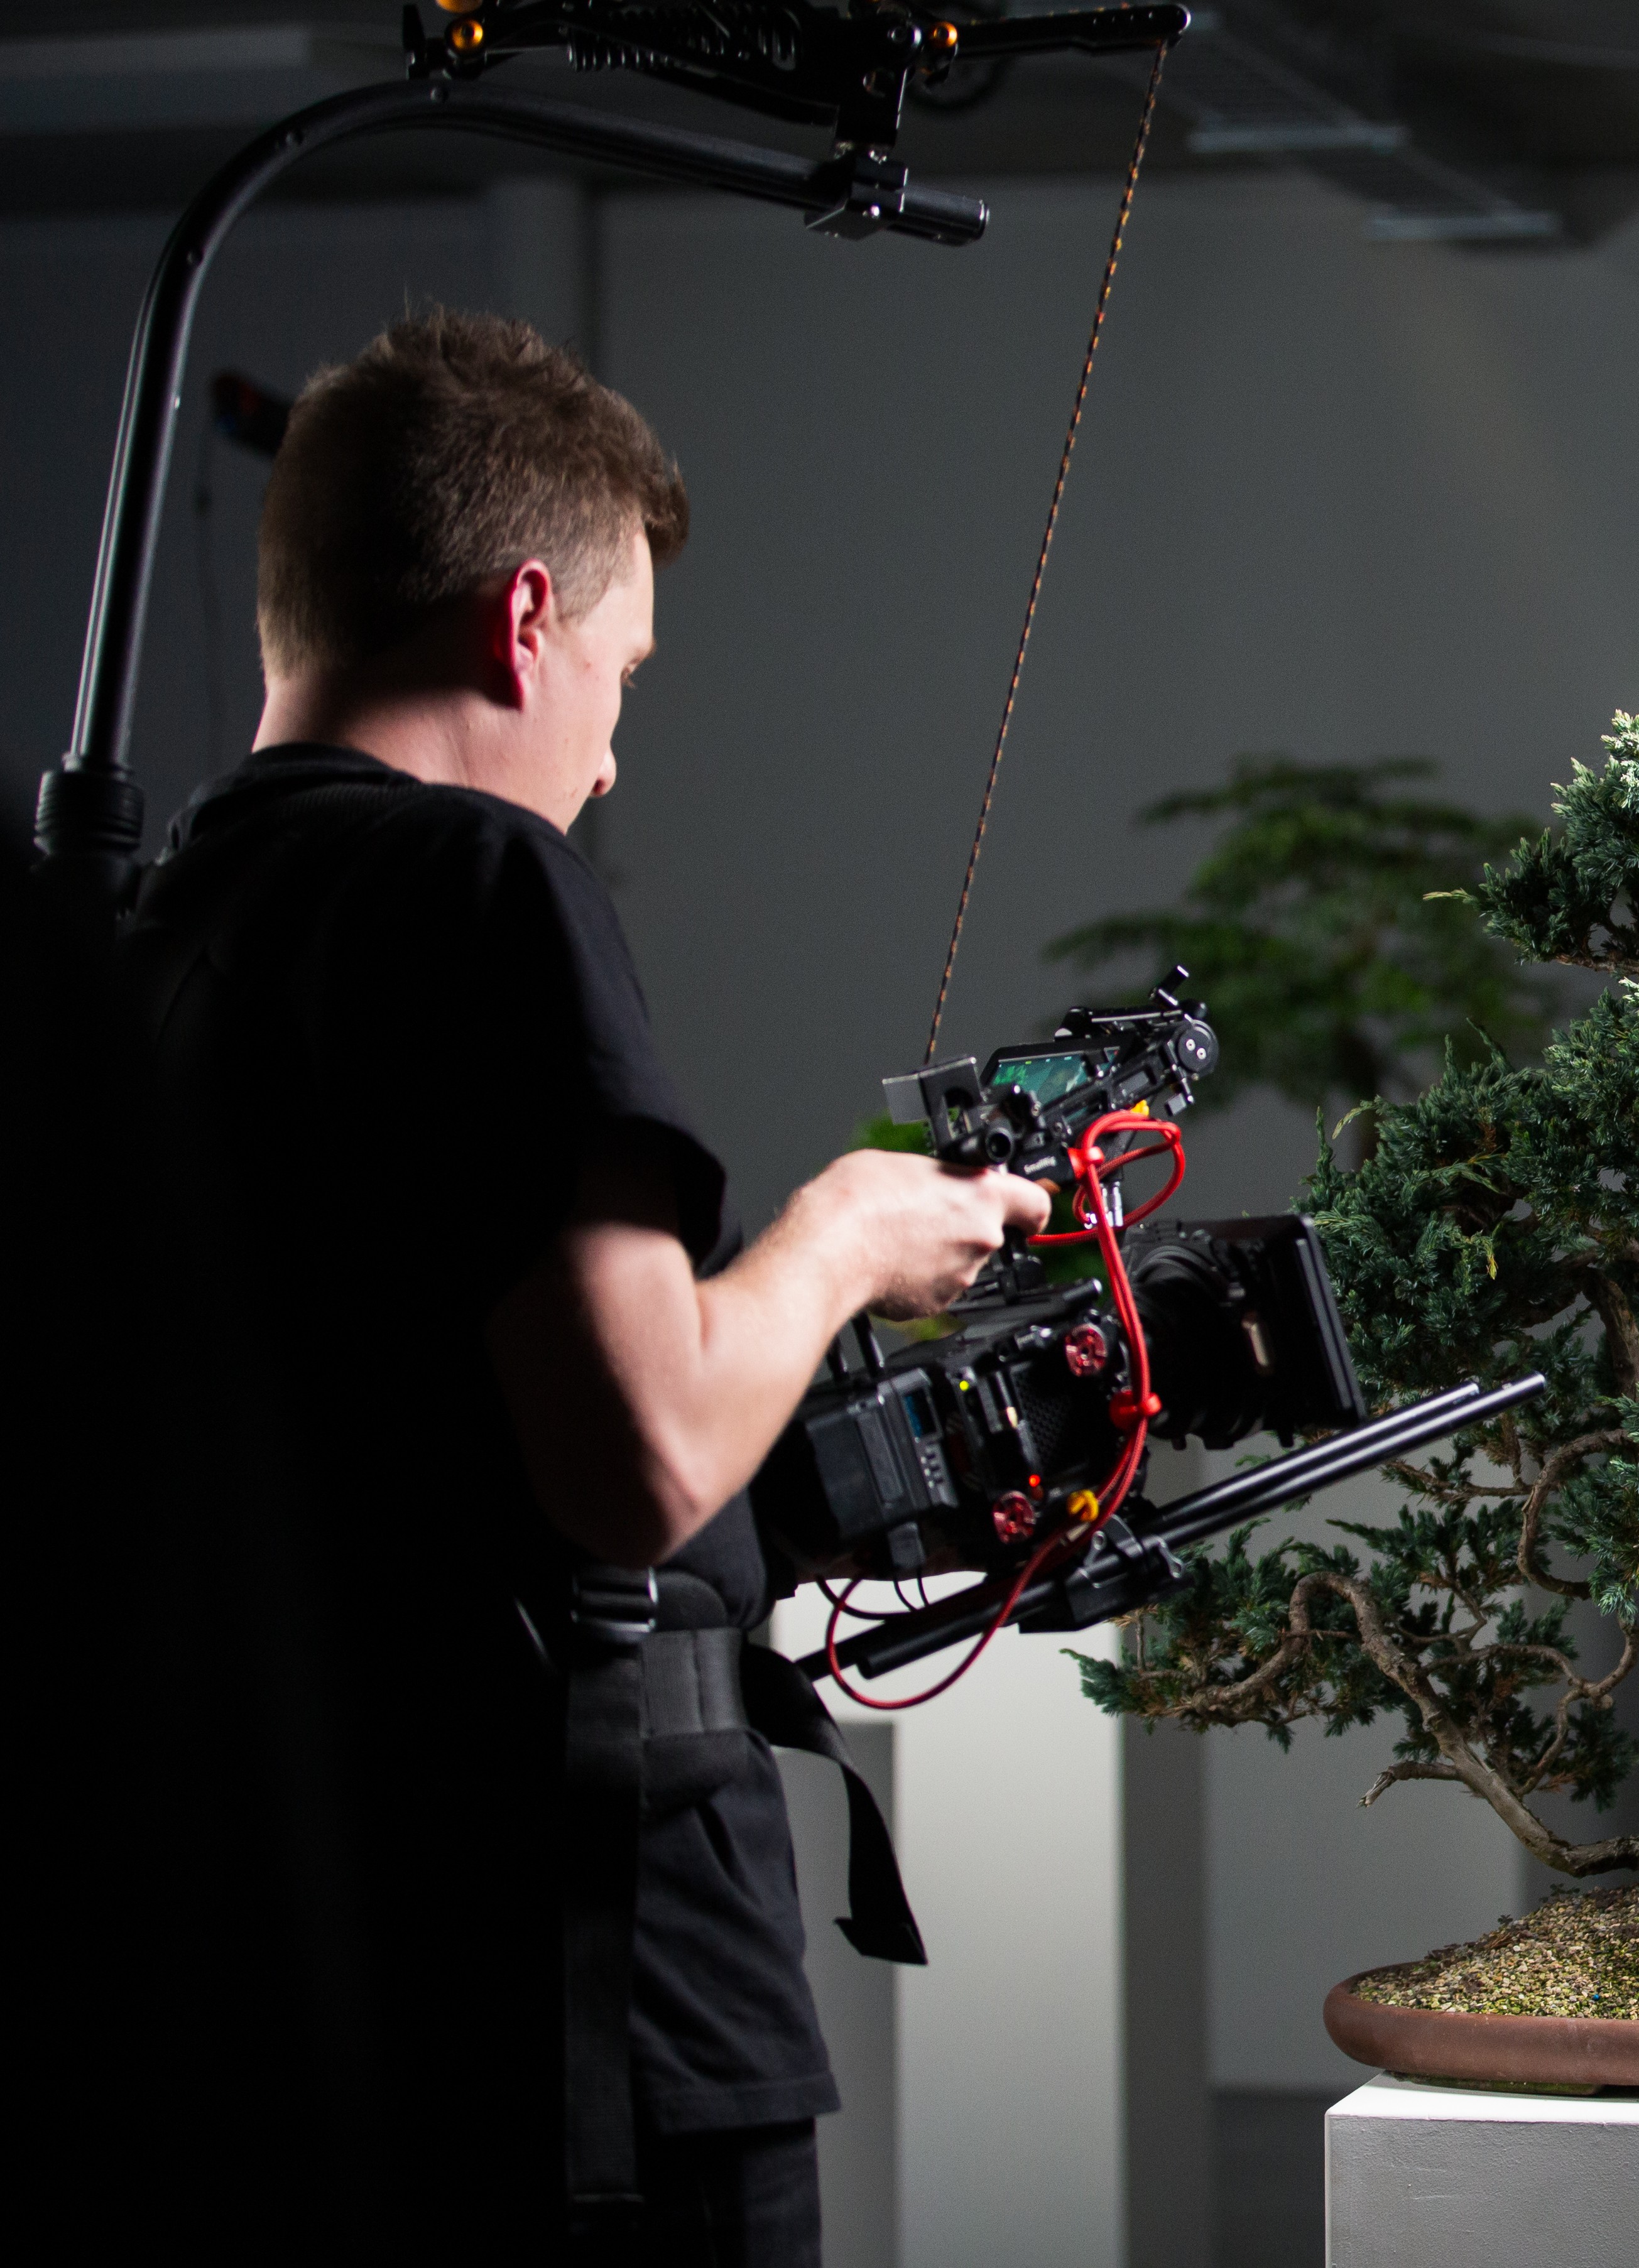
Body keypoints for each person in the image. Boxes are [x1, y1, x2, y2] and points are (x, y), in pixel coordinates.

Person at [108, 310, 1049, 2263]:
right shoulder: (479, 885)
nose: (616, 748)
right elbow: (638, 1456)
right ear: (524, 619)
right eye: (622, 673)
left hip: (295, 1989)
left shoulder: (160, 938)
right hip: (588, 2016)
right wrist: (851, 1235)